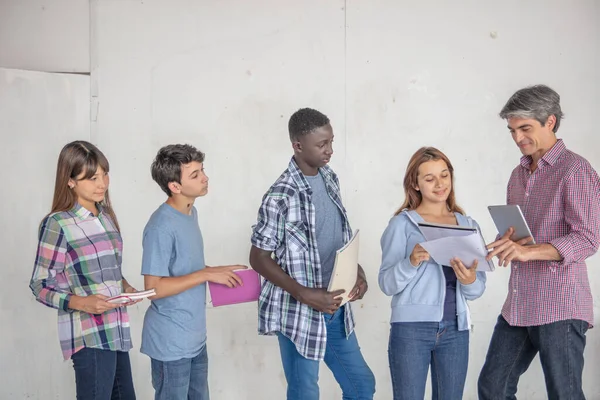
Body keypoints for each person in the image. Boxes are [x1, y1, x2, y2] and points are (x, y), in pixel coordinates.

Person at [478, 85, 600, 399]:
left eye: (525, 128)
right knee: (494, 387)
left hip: (559, 304)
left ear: (550, 121)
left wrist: (527, 251)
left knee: (564, 394)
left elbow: (587, 238)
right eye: (512, 130)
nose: (518, 138)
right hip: (519, 304)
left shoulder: (575, 170)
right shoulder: (518, 174)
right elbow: (520, 237)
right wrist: (501, 244)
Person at [249, 108, 376, 400]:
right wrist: (304, 293)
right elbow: (258, 258)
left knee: (361, 385)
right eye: (322, 144)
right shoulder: (280, 195)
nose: (330, 150)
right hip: (299, 313)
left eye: (331, 141)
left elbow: (337, 238)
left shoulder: (330, 178)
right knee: (305, 393)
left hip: (335, 307)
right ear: (298, 145)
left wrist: (359, 273)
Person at [30, 140, 138, 400]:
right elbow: (39, 285)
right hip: (88, 335)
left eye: (104, 175)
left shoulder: (106, 216)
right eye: (91, 178)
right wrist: (81, 302)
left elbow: (108, 270)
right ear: (70, 181)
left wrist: (127, 289)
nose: (101, 183)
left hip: (117, 330)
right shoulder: (58, 223)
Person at [378, 146, 486, 400]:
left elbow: (478, 287)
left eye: (444, 175)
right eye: (429, 178)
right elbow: (386, 283)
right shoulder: (402, 225)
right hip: (411, 330)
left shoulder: (468, 225)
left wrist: (469, 280)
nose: (440, 184)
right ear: (415, 184)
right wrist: (411, 262)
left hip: (456, 331)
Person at [141, 144, 246, 400]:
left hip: (195, 339)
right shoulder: (160, 226)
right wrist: (206, 275)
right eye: (195, 174)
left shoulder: (191, 213)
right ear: (174, 187)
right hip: (170, 342)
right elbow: (153, 288)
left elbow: (183, 270)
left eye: (203, 170)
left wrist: (214, 270)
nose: (205, 178)